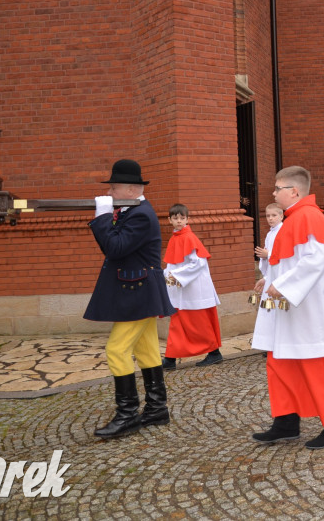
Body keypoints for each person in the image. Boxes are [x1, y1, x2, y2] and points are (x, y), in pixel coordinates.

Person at [251, 166, 324, 450]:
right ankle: (285, 420)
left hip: (310, 311)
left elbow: (314, 261)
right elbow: (288, 261)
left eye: (277, 188)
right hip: (288, 309)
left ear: (293, 191)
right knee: (281, 361)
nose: (273, 193)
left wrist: (282, 286)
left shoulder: (308, 217)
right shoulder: (294, 219)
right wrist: (269, 280)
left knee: (315, 364)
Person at [84, 159, 176, 438]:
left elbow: (115, 247)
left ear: (133, 188)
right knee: (147, 350)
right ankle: (157, 408)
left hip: (138, 292)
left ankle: (127, 415)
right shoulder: (131, 210)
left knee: (116, 350)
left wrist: (101, 217)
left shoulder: (140, 214)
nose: (110, 191)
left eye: (114, 187)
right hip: (139, 291)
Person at [162, 204, 223, 369]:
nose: (179, 221)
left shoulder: (189, 237)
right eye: (175, 218)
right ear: (170, 220)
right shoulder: (175, 237)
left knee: (198, 324)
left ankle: (214, 352)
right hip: (183, 288)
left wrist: (175, 275)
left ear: (187, 219)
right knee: (178, 322)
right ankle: (170, 358)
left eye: (182, 218)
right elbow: (173, 262)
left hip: (195, 289)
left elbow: (199, 263)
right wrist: (166, 274)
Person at [252, 202, 284, 300]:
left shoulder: (283, 231)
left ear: (281, 216)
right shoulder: (270, 234)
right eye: (268, 216)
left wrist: (268, 254)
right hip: (272, 273)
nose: (270, 218)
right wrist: (264, 257)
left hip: (280, 273)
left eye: (274, 215)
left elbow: (285, 254)